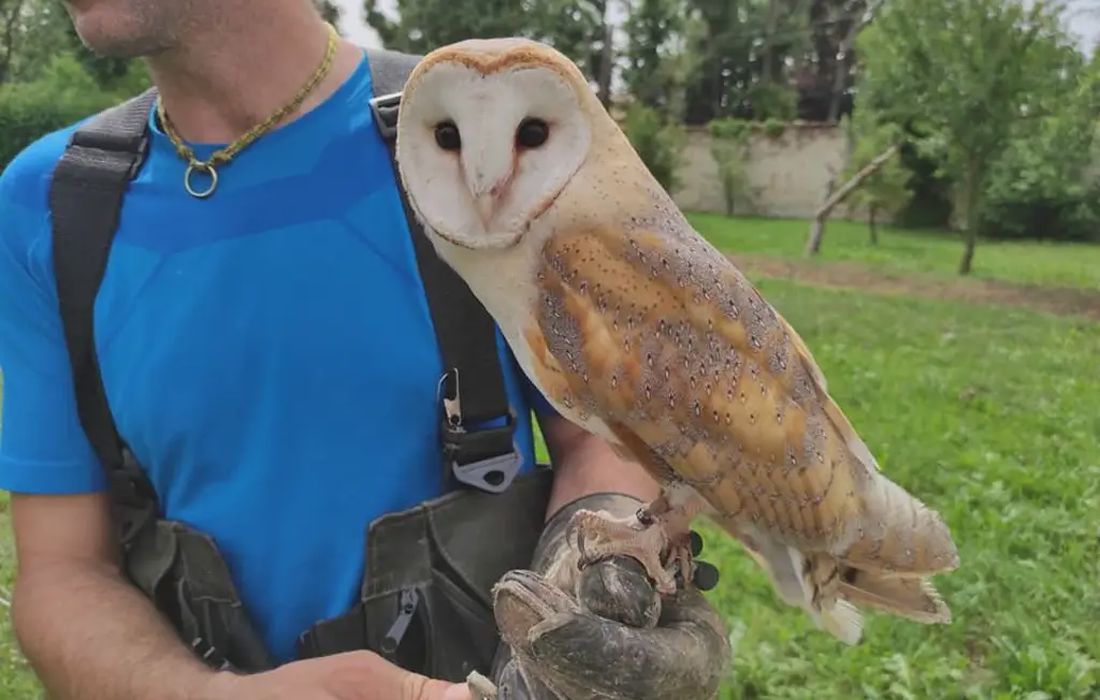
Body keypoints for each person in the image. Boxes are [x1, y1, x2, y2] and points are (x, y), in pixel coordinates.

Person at [0, 1, 729, 698]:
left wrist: (594, 587)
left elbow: (611, 439)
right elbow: (63, 571)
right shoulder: (53, 205)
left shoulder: (488, 132)